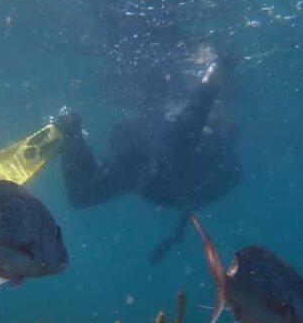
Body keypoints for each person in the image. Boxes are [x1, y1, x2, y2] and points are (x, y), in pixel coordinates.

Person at [52, 57, 242, 263]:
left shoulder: (220, 159)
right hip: (147, 173)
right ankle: (71, 135)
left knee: (83, 194)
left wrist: (210, 84)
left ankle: (71, 134)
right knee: (82, 195)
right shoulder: (214, 158)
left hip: (151, 176)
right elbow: (178, 141)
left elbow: (177, 144)